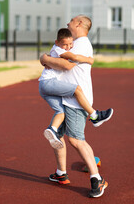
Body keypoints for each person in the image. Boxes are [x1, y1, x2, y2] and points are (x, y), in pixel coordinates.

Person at [40, 15, 110, 198]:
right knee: (57, 136)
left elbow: (65, 64)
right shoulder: (76, 42)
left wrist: (45, 57)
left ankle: (97, 178)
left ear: (79, 24)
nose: (67, 23)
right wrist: (45, 57)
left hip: (76, 100)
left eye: (71, 20)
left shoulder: (81, 43)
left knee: (76, 140)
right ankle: (61, 173)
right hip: (67, 97)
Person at [39, 28, 113, 149]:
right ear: (57, 42)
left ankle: (52, 130)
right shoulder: (58, 49)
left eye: (70, 44)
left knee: (60, 111)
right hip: (48, 83)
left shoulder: (58, 48)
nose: (68, 47)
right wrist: (88, 59)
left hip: (44, 87)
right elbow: (72, 57)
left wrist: (45, 59)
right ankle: (94, 115)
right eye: (65, 44)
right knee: (77, 89)